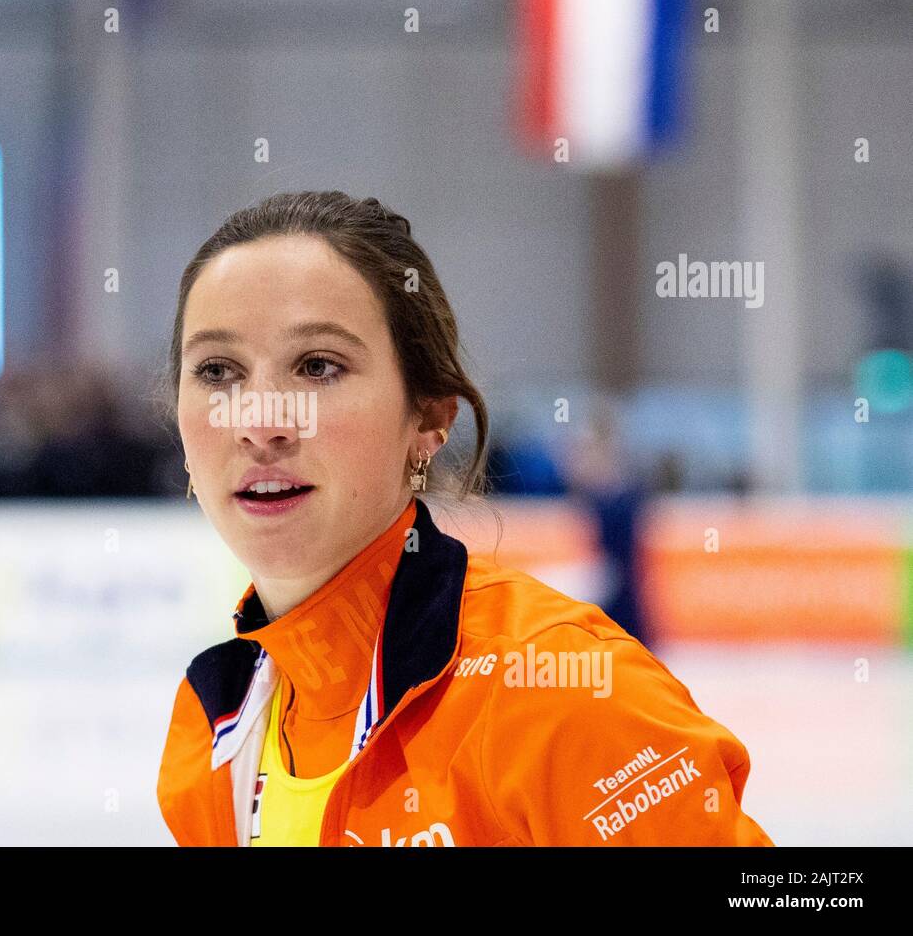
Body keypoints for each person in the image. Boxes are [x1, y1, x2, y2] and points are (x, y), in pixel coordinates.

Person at [155, 191, 773, 847]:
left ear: (428, 420)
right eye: (218, 371)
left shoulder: (561, 693)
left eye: (317, 367)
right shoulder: (212, 731)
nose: (259, 422)